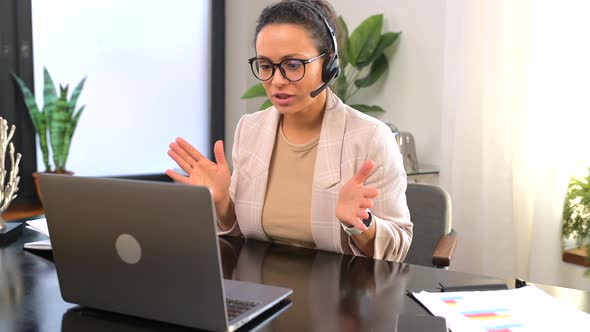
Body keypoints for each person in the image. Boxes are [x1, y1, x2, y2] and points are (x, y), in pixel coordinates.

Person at [167, 0, 412, 262]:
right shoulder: (250, 129)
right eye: (265, 66)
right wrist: (223, 204)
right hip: (262, 293)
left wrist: (361, 223)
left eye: (293, 65)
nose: (277, 81)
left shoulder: (370, 138)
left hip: (336, 296)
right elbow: (242, 238)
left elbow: (398, 248)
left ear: (328, 64)